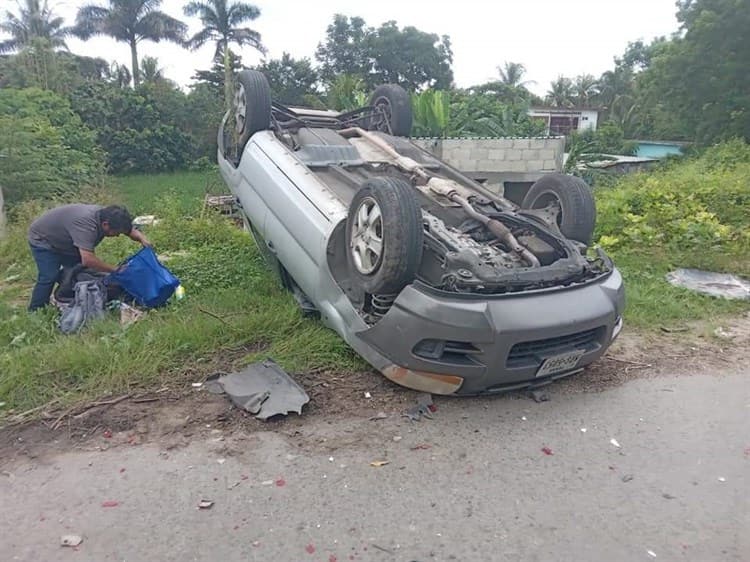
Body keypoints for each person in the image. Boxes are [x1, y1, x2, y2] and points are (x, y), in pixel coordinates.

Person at [27, 204, 151, 311]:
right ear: (105, 224)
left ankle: (69, 296)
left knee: (77, 271)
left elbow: (128, 230)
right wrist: (115, 269)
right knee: (49, 276)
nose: (118, 235)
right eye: (116, 232)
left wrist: (142, 238)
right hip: (43, 239)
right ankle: (36, 310)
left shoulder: (110, 216)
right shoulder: (86, 227)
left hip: (68, 240)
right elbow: (88, 259)